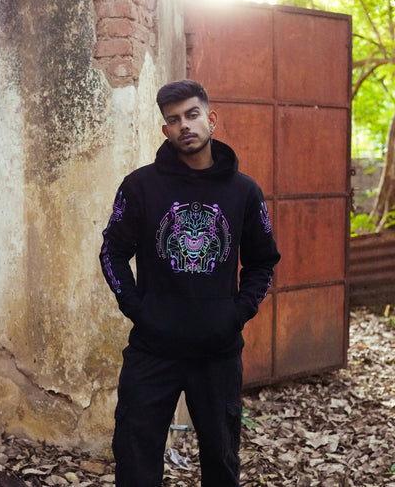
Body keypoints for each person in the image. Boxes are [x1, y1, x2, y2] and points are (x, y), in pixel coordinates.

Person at [99, 79, 280, 487]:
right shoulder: (140, 186)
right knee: (135, 458)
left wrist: (236, 314)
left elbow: (263, 262)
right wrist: (139, 310)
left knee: (221, 460)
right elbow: (112, 252)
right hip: (153, 349)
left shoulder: (244, 191)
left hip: (217, 352)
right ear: (166, 129)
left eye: (192, 115)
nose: (184, 125)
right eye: (174, 119)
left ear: (210, 119)